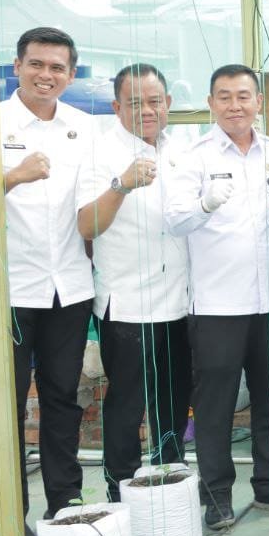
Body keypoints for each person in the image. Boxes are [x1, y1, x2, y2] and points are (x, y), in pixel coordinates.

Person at [0, 27, 97, 536]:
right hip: (4, 292)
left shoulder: (83, 127)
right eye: (36, 64)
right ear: (16, 67)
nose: (45, 75)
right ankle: (7, 515)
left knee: (63, 400)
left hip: (68, 290)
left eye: (57, 67)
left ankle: (66, 505)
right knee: (6, 407)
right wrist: (13, 175)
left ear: (70, 75)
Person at [163, 64, 269, 529]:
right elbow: (175, 220)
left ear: (258, 103)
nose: (235, 106)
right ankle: (216, 495)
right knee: (216, 405)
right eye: (224, 97)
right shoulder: (195, 157)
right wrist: (205, 203)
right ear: (211, 103)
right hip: (217, 305)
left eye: (243, 96)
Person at [77, 64, 191, 502]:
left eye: (155, 101)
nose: (147, 111)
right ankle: (119, 490)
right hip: (126, 303)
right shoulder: (99, 152)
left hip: (178, 300)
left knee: (174, 399)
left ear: (168, 104)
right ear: (116, 106)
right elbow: (87, 225)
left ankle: (171, 482)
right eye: (135, 103)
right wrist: (121, 185)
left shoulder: (181, 150)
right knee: (127, 403)